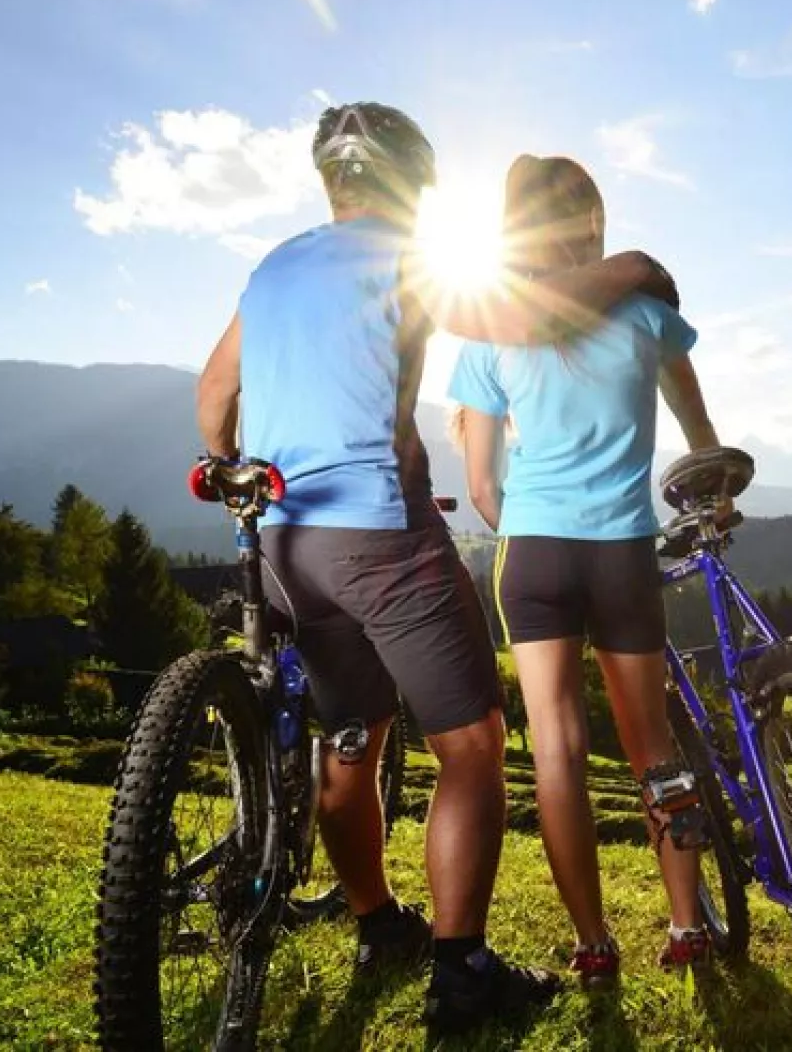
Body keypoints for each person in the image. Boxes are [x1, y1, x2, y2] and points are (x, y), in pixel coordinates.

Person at [194, 102, 681, 1034]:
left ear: (330, 182)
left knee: (351, 735)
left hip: (290, 537)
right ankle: (461, 972)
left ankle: (378, 924)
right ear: (412, 185)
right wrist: (630, 269)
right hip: (384, 535)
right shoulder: (401, 254)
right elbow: (529, 320)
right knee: (473, 744)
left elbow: (216, 396)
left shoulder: (273, 269)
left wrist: (231, 472)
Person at [447, 154, 722, 989]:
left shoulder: (490, 331)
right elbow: (696, 426)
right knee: (654, 748)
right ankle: (686, 924)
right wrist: (709, 471)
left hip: (533, 555)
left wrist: (532, 525)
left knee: (559, 754)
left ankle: (595, 945)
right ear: (592, 223)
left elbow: (485, 486)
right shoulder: (645, 313)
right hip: (622, 552)